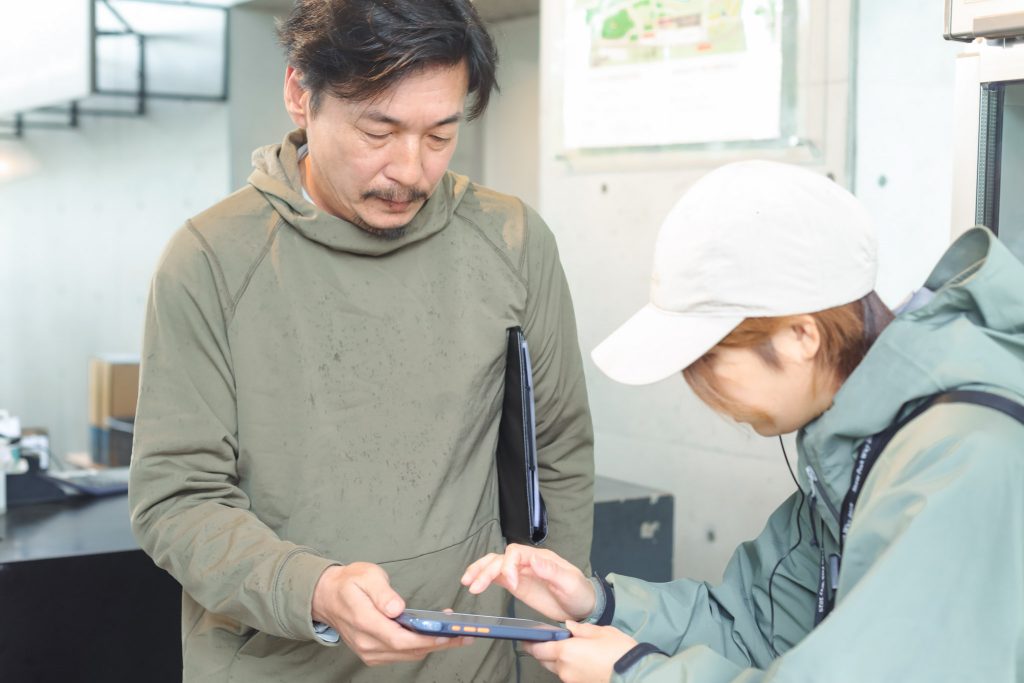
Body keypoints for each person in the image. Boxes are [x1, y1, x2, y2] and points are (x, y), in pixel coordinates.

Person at [128, 1, 594, 681]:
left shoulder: (513, 240)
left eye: (440, 134)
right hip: (277, 665)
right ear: (300, 93)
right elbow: (176, 498)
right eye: (379, 131)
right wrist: (314, 590)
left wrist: (551, 638)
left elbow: (559, 452)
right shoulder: (210, 258)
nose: (410, 170)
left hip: (470, 666)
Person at [461, 160, 1024, 682]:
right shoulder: (857, 444)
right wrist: (598, 603)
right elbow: (756, 627)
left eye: (708, 359)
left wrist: (634, 673)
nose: (702, 390)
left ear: (801, 335)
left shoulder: (961, 458)